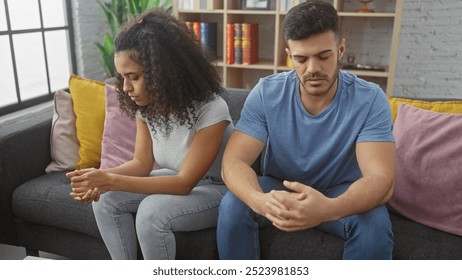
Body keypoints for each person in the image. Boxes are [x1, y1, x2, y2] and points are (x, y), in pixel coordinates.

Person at [217, 0, 396, 260]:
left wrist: (327, 209)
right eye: (301, 59)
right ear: (289, 54)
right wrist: (259, 201)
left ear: (341, 49)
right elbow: (233, 162)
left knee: (375, 226)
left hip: (341, 192)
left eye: (324, 56)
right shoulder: (267, 93)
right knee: (233, 205)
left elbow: (382, 180)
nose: (312, 69)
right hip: (280, 187)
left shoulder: (370, 99)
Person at [66, 9, 233, 260]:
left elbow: (184, 182)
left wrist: (110, 179)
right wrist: (98, 178)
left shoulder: (212, 109)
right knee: (105, 199)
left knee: (151, 213)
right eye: (122, 77)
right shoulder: (145, 106)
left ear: (162, 72)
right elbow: (141, 164)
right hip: (176, 177)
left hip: (218, 188)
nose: (126, 88)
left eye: (134, 77)